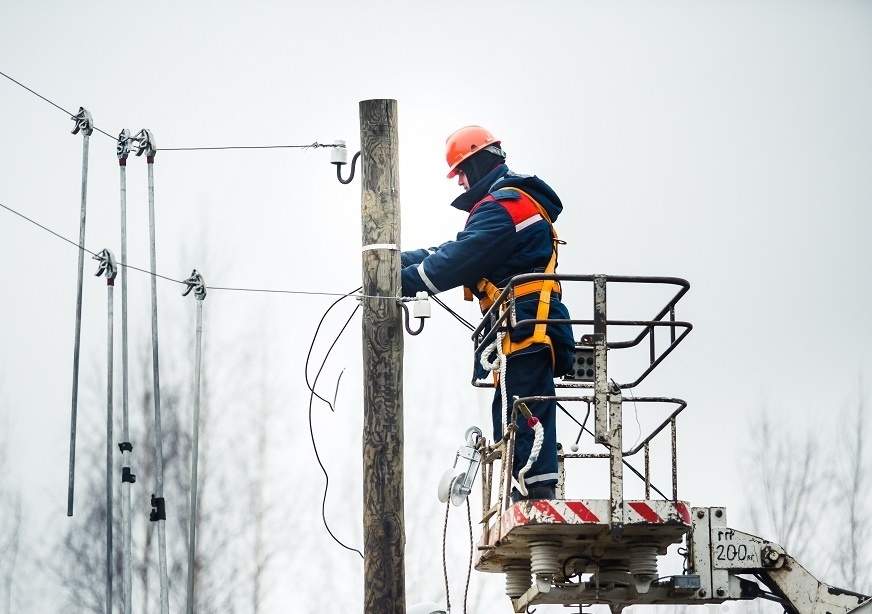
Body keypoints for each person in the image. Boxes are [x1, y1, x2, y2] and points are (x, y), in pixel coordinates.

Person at [401, 126, 575, 501]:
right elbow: (456, 249)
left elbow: (459, 259)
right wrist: (395, 263)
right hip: (528, 323)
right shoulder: (510, 203)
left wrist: (405, 280)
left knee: (521, 411)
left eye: (461, 171)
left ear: (477, 163)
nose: (460, 181)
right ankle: (531, 487)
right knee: (519, 409)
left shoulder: (502, 207)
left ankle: (532, 492)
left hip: (524, 324)